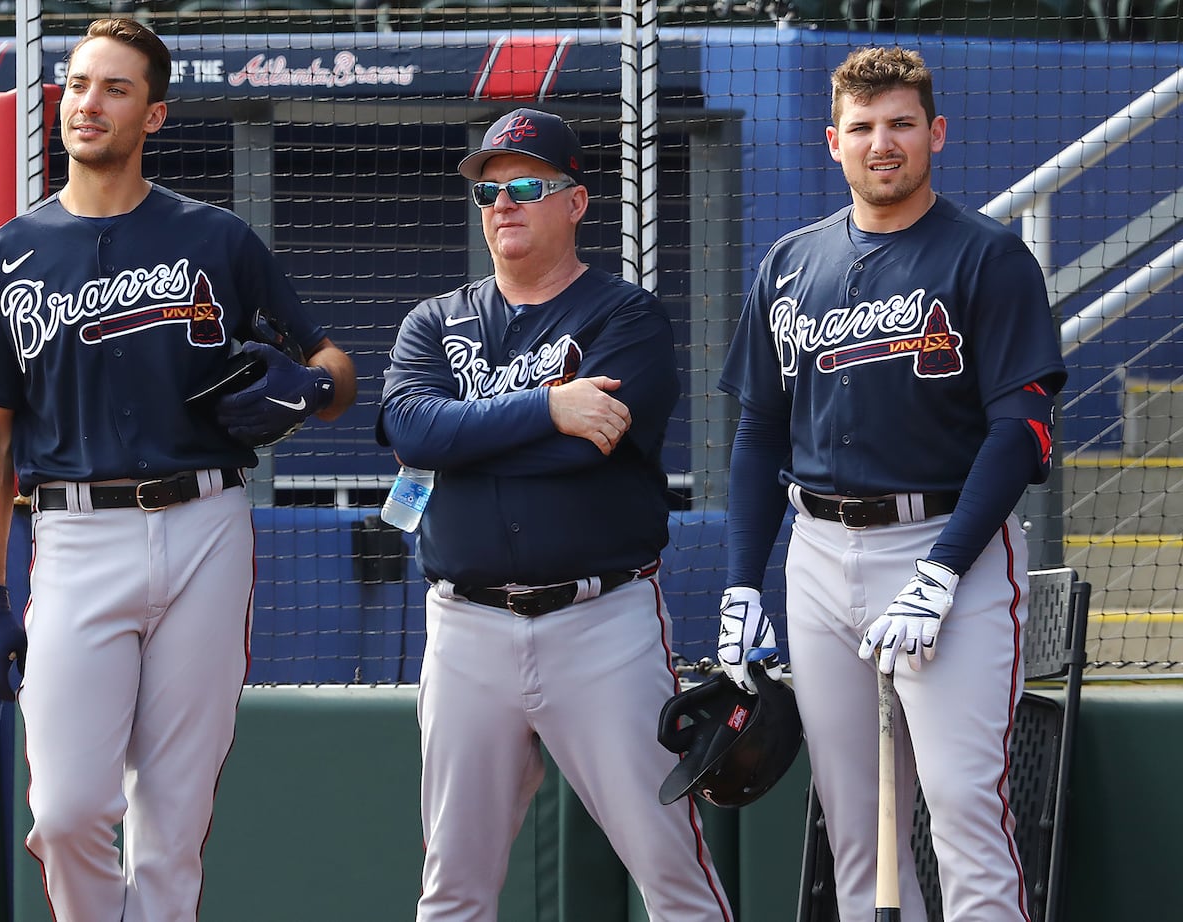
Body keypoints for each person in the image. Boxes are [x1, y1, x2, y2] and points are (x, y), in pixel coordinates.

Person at [0, 18, 356, 922]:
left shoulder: (216, 239)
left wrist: (309, 389)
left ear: (153, 115)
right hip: (76, 535)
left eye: (114, 89)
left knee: (172, 824)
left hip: (205, 523)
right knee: (69, 808)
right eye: (79, 85)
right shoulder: (6, 257)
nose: (88, 103)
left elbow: (334, 367)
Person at [716, 46, 1066, 921]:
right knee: (857, 833)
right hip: (819, 552)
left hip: (953, 546)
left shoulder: (988, 257)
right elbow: (759, 433)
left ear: (935, 133)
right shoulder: (790, 266)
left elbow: (1022, 430)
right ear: (832, 141)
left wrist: (944, 569)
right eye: (863, 127)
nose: (883, 142)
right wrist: (739, 581)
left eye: (901, 123)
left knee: (963, 811)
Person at [378, 107, 734, 922]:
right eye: (490, 192)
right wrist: (548, 409)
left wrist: (467, 441)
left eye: (528, 186)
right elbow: (409, 428)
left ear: (575, 202)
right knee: (452, 890)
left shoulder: (624, 316)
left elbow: (591, 449)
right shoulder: (433, 322)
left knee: (672, 872)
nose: (504, 204)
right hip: (465, 628)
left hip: (600, 623)